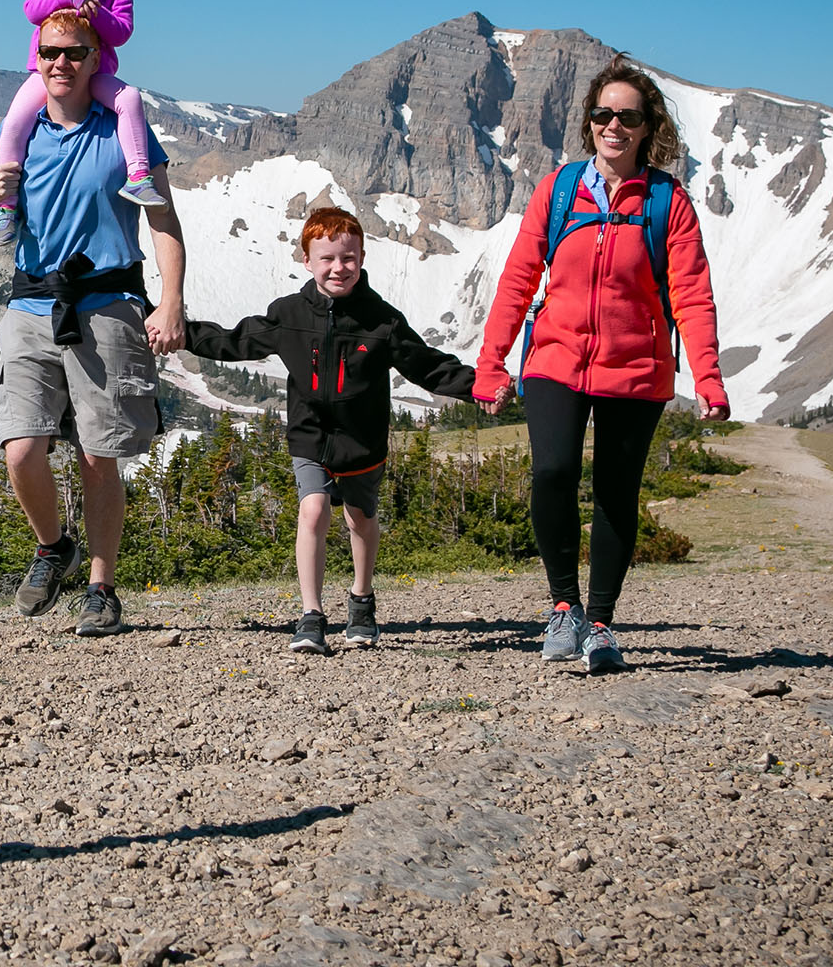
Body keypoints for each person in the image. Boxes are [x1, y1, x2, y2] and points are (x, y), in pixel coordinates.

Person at [475, 55, 729, 675]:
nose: (614, 125)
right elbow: (518, 280)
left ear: (647, 127)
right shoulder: (559, 189)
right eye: (602, 114)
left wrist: (707, 376)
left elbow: (692, 295)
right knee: (552, 472)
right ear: (589, 121)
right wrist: (491, 362)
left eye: (628, 117)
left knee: (617, 493)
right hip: (556, 358)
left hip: (636, 368)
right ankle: (564, 606)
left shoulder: (668, 202)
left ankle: (602, 624)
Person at [0, 8, 187, 637]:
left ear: (97, 58)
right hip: (30, 304)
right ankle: (52, 546)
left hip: (109, 303)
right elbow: (2, 206)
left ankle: (101, 588)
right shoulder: (21, 132)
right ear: (36, 59)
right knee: (20, 449)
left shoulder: (122, 130)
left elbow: (162, 219)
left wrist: (171, 300)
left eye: (74, 52)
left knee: (100, 456)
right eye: (50, 52)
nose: (61, 63)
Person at [184, 208, 476, 655]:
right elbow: (235, 340)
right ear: (307, 260)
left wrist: (479, 386)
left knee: (360, 518)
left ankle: (361, 599)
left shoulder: (382, 321)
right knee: (314, 510)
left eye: (348, 258)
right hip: (310, 433)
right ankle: (311, 614)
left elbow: (427, 366)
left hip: (363, 438)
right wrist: (180, 333)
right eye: (327, 259)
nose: (339, 268)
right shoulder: (289, 314)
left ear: (362, 258)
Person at [0, 0, 162, 248]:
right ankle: (6, 206)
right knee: (15, 122)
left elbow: (122, 32)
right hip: (46, 73)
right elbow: (32, 9)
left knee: (129, 98)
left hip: (95, 73)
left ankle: (138, 175)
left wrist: (95, 12)